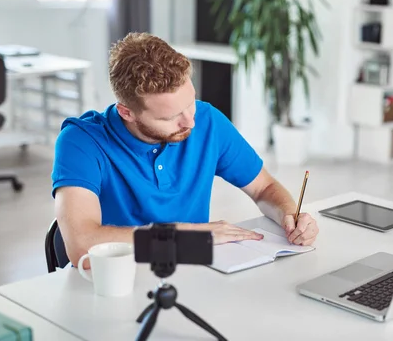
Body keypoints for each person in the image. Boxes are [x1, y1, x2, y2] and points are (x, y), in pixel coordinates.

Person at [51, 32, 319, 267]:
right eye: (170, 118)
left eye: (190, 103)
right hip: (116, 279)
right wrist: (184, 237)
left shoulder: (207, 120)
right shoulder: (81, 141)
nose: (190, 122)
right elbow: (82, 246)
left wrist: (289, 216)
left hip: (193, 274)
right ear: (127, 113)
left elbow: (264, 188)